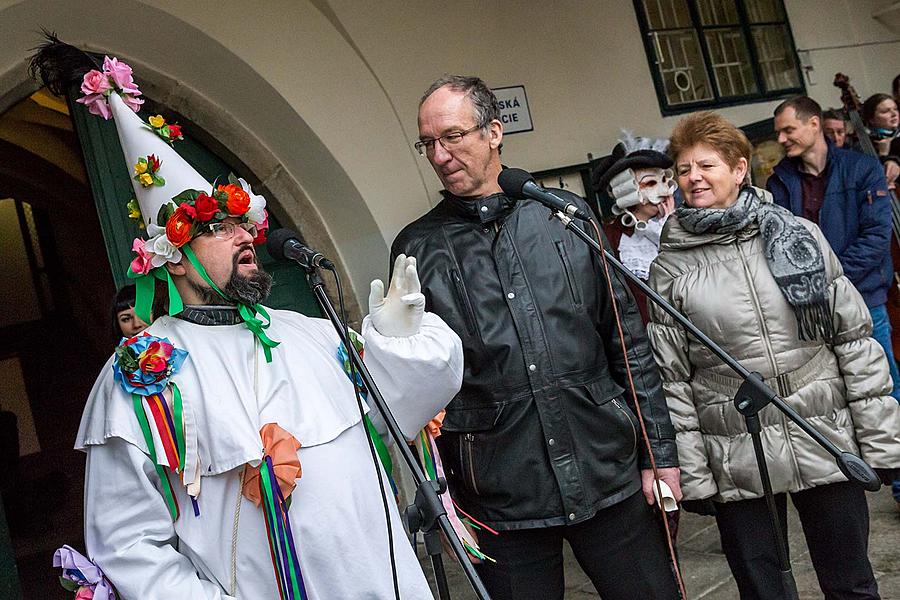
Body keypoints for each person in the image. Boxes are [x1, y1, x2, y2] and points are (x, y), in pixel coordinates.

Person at [48, 52, 464, 599]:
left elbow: (399, 416)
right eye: (220, 228)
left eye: (245, 223)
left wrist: (400, 341)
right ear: (173, 256)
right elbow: (128, 546)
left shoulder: (312, 330)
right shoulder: (140, 375)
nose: (247, 236)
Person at [392, 75, 681, 600]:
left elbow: (627, 343)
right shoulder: (417, 247)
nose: (439, 154)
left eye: (453, 136)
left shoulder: (565, 217)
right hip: (501, 492)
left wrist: (659, 454)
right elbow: (416, 383)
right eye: (428, 143)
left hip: (604, 466)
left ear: (494, 132)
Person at [648, 110, 900, 600]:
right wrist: (695, 473)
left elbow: (852, 339)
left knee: (851, 581)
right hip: (736, 440)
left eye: (706, 166)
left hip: (822, 425)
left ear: (740, 169)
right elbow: (672, 377)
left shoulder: (798, 235)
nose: (693, 178)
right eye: (683, 170)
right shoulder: (670, 267)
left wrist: (880, 439)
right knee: (763, 588)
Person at [766, 96, 900, 404]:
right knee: (839, 393)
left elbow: (876, 239)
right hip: (812, 307)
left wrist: (828, 279)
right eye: (779, 133)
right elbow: (782, 246)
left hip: (866, 299)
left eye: (788, 130)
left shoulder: (862, 168)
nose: (781, 139)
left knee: (886, 387)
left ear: (813, 124)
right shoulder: (779, 182)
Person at [590, 133, 677, 323]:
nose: (664, 191)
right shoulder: (609, 237)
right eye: (651, 183)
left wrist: (672, 228)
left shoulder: (683, 224)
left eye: (663, 181)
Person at [861, 93, 900, 188]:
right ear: (872, 120)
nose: (894, 114)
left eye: (895, 109)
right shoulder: (865, 143)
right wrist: (883, 154)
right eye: (885, 111)